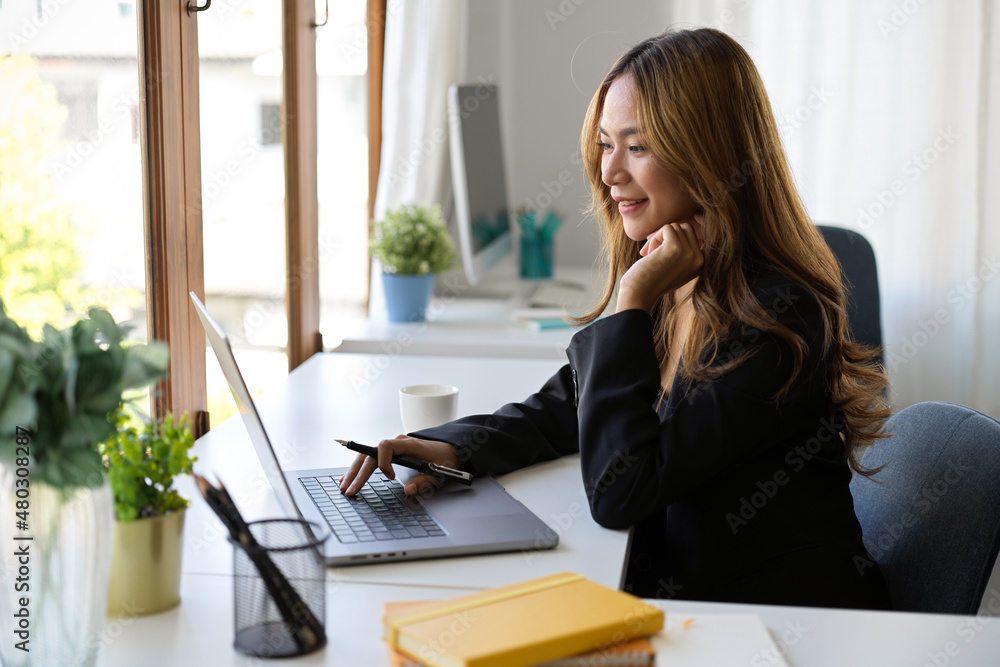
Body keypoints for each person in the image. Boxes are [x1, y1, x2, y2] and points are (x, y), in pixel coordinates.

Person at [340, 27, 892, 610]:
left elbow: (621, 491)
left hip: (778, 623)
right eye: (606, 144)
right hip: (699, 601)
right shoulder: (678, 275)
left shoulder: (776, 316)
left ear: (710, 156)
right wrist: (454, 448)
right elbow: (566, 406)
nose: (609, 173)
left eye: (638, 146)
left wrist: (631, 299)